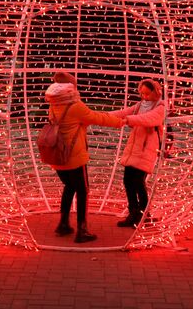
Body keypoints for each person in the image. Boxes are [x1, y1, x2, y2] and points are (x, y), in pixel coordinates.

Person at [44, 71, 123, 243]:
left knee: (69, 187)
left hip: (58, 156)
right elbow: (96, 118)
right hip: (75, 158)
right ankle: (82, 230)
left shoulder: (53, 104)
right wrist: (120, 121)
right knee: (83, 191)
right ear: (71, 88)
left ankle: (63, 224)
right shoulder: (75, 106)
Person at [109, 79, 165, 228]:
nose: (144, 96)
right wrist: (103, 116)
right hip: (134, 147)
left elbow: (148, 119)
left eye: (147, 93)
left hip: (147, 148)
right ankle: (133, 212)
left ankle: (143, 214)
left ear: (155, 92)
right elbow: (123, 112)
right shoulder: (140, 105)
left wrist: (128, 120)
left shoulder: (160, 107)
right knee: (128, 180)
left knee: (139, 182)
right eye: (142, 93)